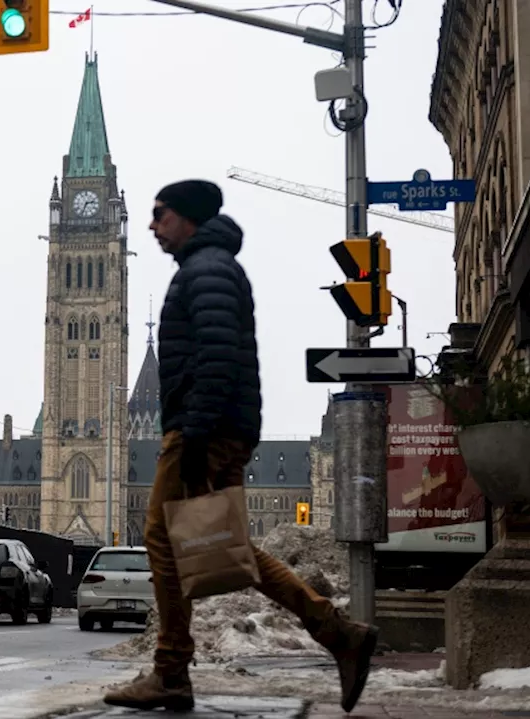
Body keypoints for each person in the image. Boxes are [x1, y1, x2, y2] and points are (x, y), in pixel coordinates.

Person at [103, 180, 379, 713]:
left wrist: (195, 439)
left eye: (160, 214)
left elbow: (217, 358)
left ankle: (171, 671)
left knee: (162, 540)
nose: (151, 225)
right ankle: (337, 631)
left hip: (203, 431)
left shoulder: (205, 271)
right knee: (226, 545)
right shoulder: (210, 266)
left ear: (186, 217)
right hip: (218, 429)